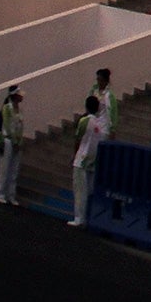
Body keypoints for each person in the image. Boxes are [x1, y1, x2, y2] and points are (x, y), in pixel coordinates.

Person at [67, 95, 105, 227]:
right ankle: (87, 217)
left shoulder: (84, 121)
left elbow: (78, 139)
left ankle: (79, 218)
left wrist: (75, 154)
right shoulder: (100, 124)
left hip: (82, 159)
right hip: (92, 160)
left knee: (79, 191)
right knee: (89, 191)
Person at [0, 85, 25, 206]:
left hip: (17, 142)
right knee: (4, 168)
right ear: (14, 95)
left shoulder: (20, 110)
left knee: (14, 169)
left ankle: (11, 194)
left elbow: (20, 127)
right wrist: (14, 139)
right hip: (8, 141)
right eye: (19, 94)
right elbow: (7, 125)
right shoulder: (7, 108)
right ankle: (0, 193)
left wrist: (19, 141)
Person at [92, 66, 117, 140]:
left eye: (101, 80)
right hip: (93, 125)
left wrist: (113, 130)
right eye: (98, 80)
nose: (99, 82)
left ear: (106, 81)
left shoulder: (109, 96)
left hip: (104, 127)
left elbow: (113, 113)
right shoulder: (94, 92)